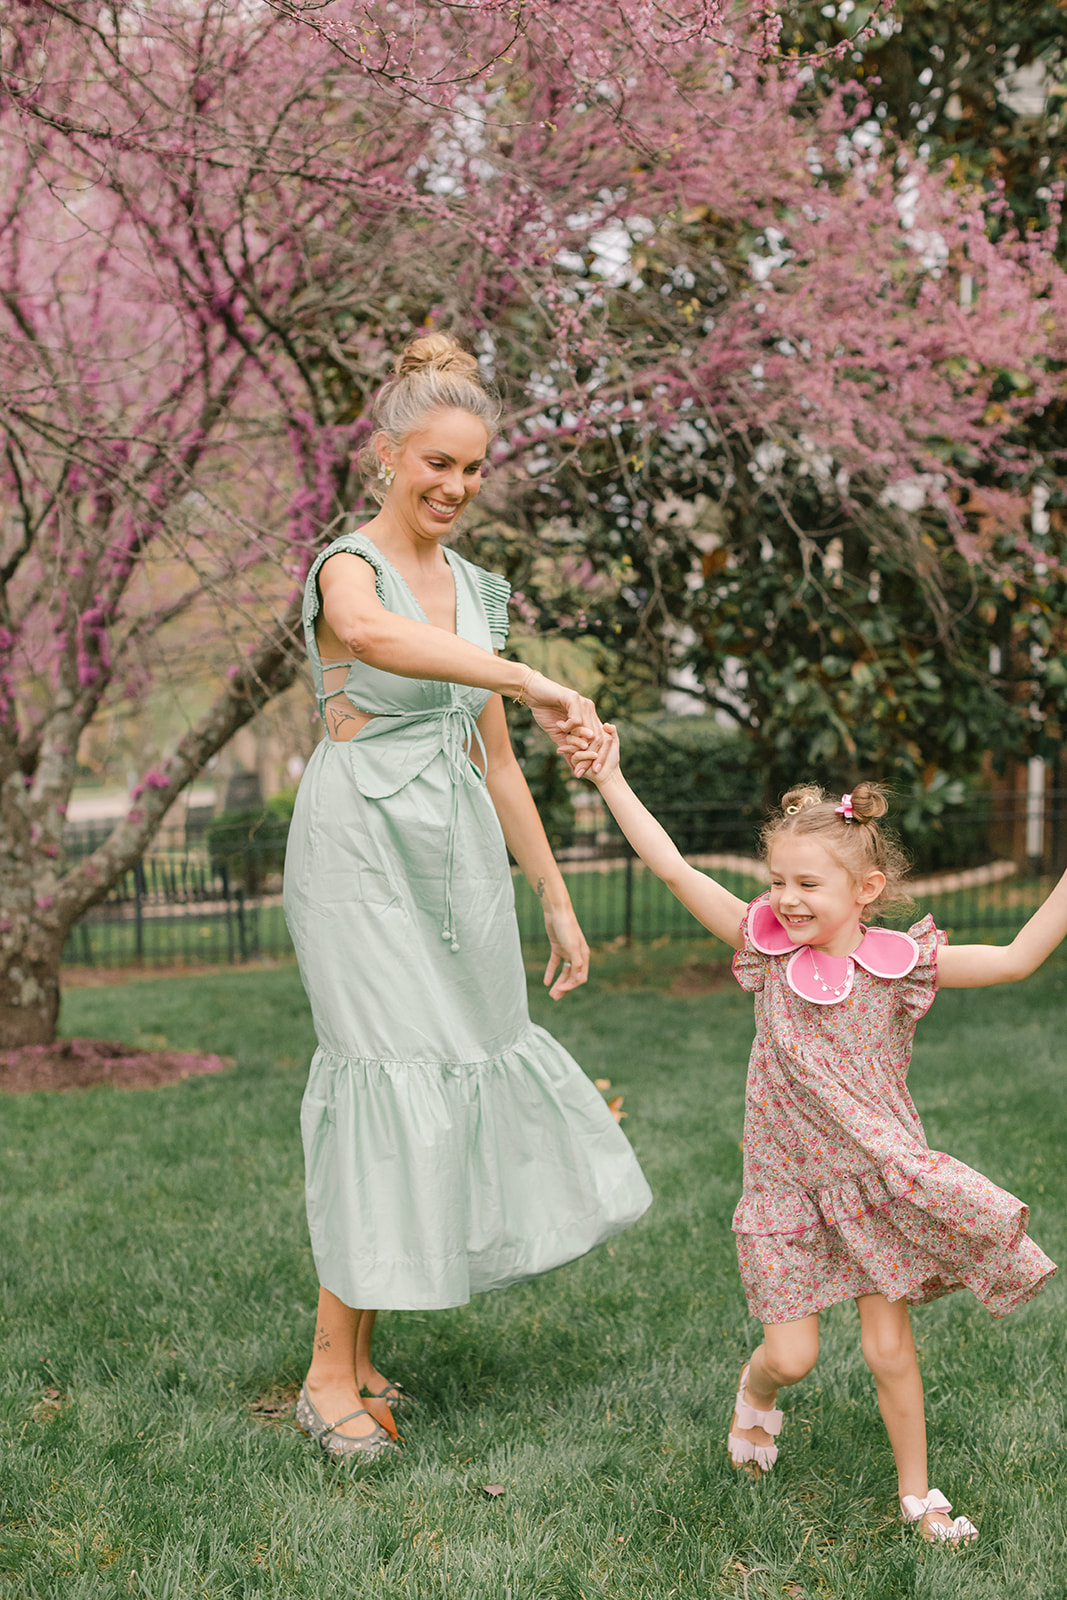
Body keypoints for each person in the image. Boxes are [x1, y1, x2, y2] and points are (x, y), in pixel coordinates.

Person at [282, 334, 652, 1461]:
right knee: (383, 1076)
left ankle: (356, 1352)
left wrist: (552, 895)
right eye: (432, 463)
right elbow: (372, 636)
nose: (450, 486)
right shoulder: (348, 564)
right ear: (388, 455)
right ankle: (322, 1374)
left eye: (472, 469)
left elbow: (495, 761)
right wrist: (533, 674)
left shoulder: (479, 591)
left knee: (442, 1076)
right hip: (357, 855)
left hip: (457, 862)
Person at [566, 729, 1060, 1543]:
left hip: (875, 1181)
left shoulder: (899, 967)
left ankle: (917, 1497)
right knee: (792, 1357)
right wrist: (612, 779)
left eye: (807, 883)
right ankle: (755, 1394)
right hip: (788, 1187)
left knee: (886, 1349)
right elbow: (672, 867)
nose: (786, 899)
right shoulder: (760, 951)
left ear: (865, 889)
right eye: (776, 881)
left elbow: (1015, 958)